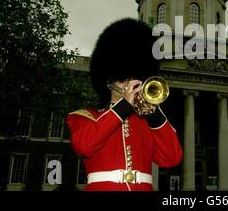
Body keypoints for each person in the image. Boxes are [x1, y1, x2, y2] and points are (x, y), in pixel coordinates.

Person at [66, 18, 183, 191]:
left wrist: (155, 115)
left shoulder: (146, 122)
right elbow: (84, 145)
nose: (130, 82)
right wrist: (123, 107)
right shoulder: (86, 116)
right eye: (123, 78)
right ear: (109, 82)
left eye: (134, 77)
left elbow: (172, 158)